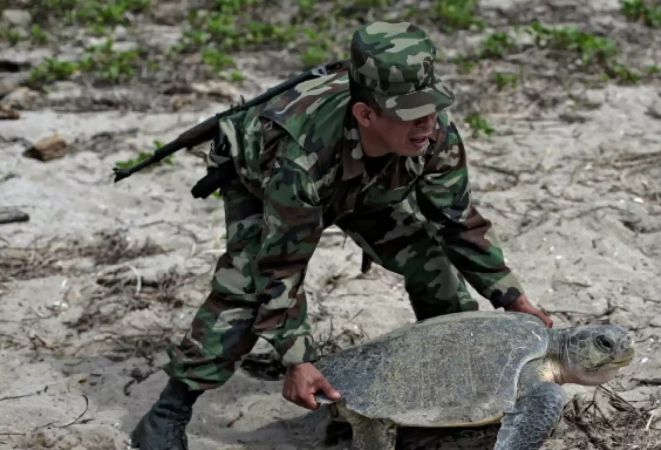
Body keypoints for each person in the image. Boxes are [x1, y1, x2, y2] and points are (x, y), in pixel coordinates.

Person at [130, 20, 553, 450]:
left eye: (432, 107)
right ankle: (168, 410)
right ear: (366, 114)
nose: (428, 124)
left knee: (432, 262)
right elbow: (282, 266)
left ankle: (446, 386)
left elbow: (458, 221)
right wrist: (298, 360)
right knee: (246, 291)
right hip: (267, 183)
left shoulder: (431, 133)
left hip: (370, 178)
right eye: (412, 114)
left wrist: (512, 297)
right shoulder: (301, 158)